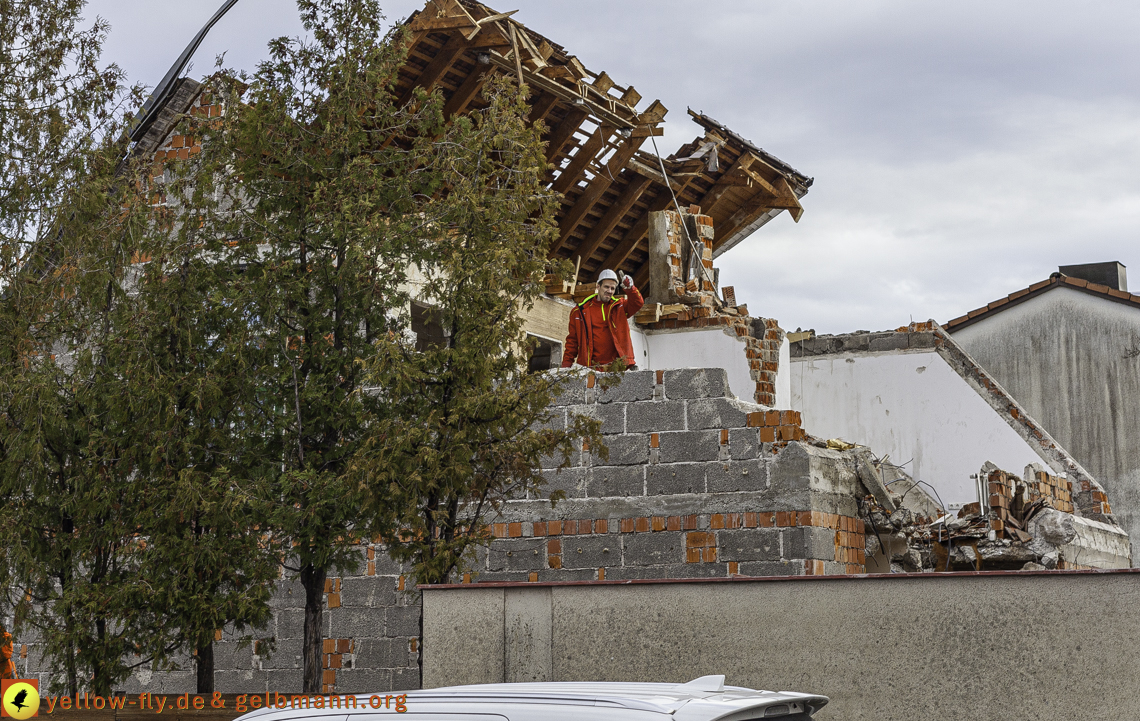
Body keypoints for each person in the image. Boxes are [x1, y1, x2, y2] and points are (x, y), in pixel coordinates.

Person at [561, 269, 644, 370]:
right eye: (606, 287)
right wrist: (565, 366)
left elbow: (637, 303)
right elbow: (572, 342)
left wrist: (630, 288)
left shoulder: (619, 307)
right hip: (590, 369)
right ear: (598, 286)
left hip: (617, 368)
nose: (609, 291)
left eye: (612, 288)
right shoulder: (579, 311)